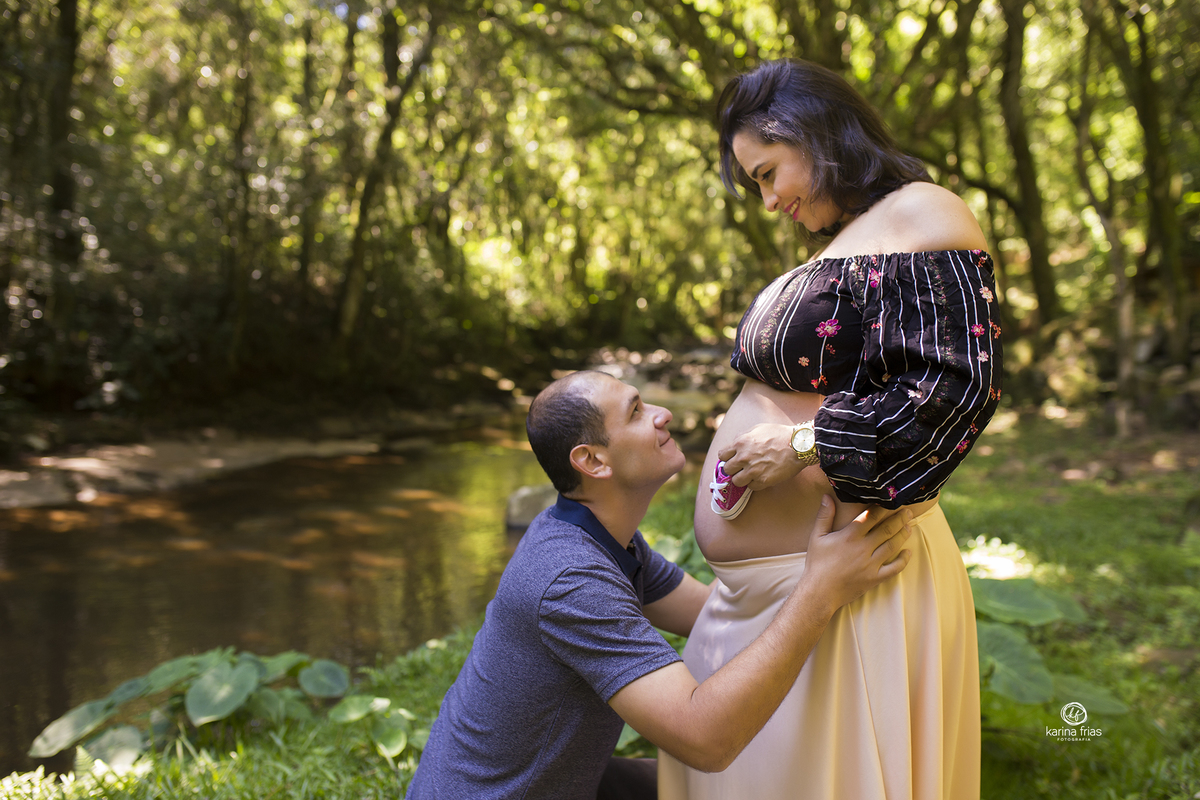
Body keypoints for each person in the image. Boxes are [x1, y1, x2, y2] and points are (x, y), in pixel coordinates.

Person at [657, 59, 1002, 800]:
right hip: (783, 598)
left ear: (814, 134)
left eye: (767, 172)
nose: (769, 199)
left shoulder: (921, 211)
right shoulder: (850, 240)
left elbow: (955, 390)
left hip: (857, 589)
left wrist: (803, 444)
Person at [405, 369, 915, 799]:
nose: (662, 414)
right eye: (635, 413)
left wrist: (802, 567)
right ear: (592, 461)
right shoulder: (569, 579)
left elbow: (717, 617)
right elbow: (706, 740)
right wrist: (819, 591)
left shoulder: (604, 541)